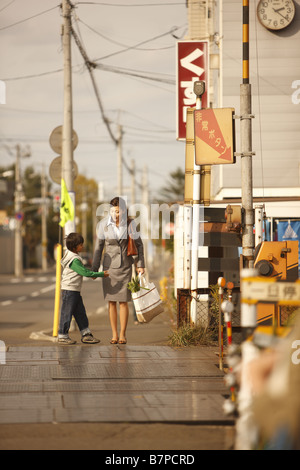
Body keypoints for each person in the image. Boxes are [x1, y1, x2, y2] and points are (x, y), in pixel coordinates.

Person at [92, 197, 145, 344]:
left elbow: (139, 245)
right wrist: (94, 269)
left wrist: (140, 264)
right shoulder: (103, 225)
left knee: (123, 301)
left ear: (124, 210)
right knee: (111, 302)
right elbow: (98, 248)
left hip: (125, 266)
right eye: (114, 211)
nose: (117, 213)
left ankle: (123, 334)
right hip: (109, 268)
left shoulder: (130, 224)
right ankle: (114, 334)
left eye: (119, 210)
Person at [58, 232, 109, 345]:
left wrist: (94, 274)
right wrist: (100, 274)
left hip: (74, 290)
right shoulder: (74, 259)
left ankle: (86, 334)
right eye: (81, 244)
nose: (83, 246)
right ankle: (62, 335)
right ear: (74, 246)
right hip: (69, 290)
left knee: (80, 312)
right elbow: (84, 272)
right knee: (67, 313)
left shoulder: (73, 256)